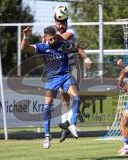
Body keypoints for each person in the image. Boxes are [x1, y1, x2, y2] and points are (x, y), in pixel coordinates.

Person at [21, 26, 80, 149]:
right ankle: (47, 135)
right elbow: (25, 48)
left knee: (76, 98)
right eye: (50, 39)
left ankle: (72, 124)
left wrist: (78, 54)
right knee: (47, 107)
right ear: (46, 38)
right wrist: (26, 37)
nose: (53, 41)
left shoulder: (63, 44)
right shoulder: (42, 47)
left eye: (54, 38)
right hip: (52, 80)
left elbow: (76, 48)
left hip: (65, 76)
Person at [53, 5, 93, 143]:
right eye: (58, 22)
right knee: (64, 99)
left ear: (66, 22)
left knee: (74, 97)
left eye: (62, 22)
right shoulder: (53, 35)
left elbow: (74, 43)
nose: (60, 25)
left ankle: (72, 124)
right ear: (55, 23)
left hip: (73, 68)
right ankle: (66, 127)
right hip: (60, 70)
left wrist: (86, 58)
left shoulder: (69, 32)